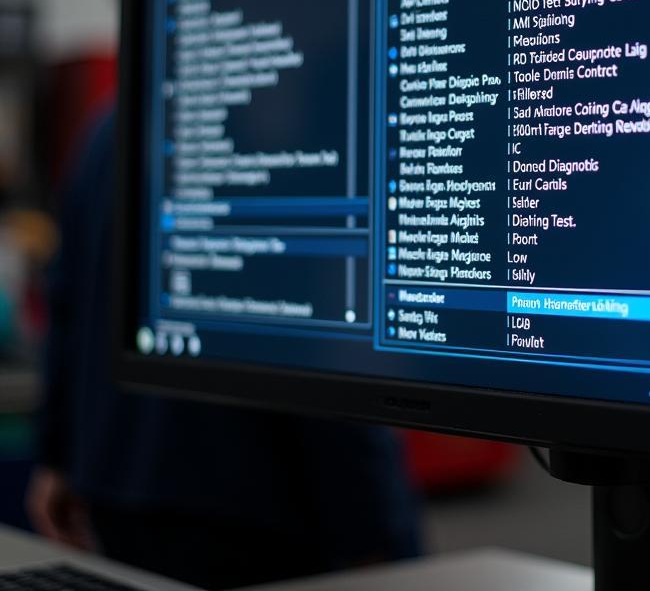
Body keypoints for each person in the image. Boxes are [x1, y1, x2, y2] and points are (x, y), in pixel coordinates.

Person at [26, 109, 421, 589]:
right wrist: (382, 531)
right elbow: (321, 345)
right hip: (242, 505)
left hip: (115, 481)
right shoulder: (270, 136)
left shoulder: (105, 134)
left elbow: (64, 304)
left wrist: (56, 456)